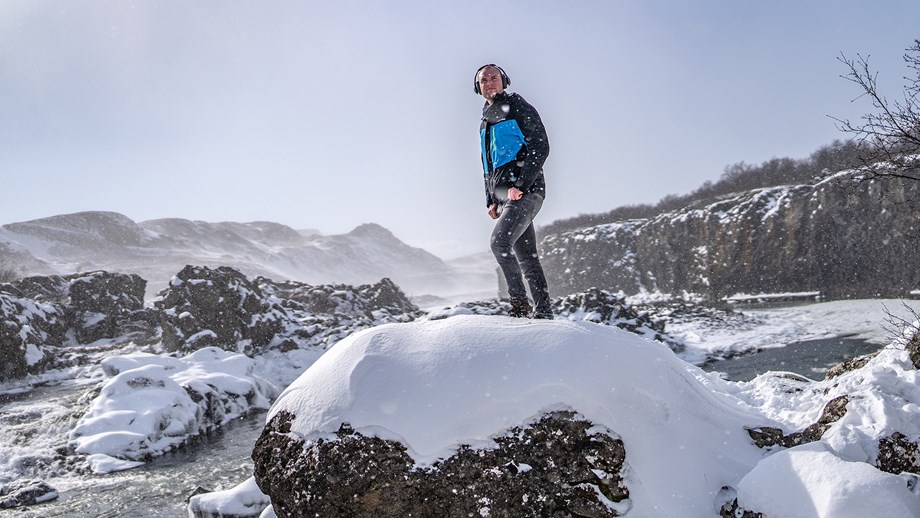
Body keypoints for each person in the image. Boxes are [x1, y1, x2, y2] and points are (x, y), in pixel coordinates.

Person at [474, 64, 552, 319]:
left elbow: (540, 145)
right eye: (483, 80)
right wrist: (490, 199)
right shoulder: (485, 120)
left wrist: (521, 185)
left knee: (499, 243)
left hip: (527, 192)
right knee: (527, 258)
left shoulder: (516, 105)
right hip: (505, 197)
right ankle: (544, 313)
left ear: (504, 81)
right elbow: (488, 163)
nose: (489, 82)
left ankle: (519, 306)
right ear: (478, 87)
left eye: (493, 78)